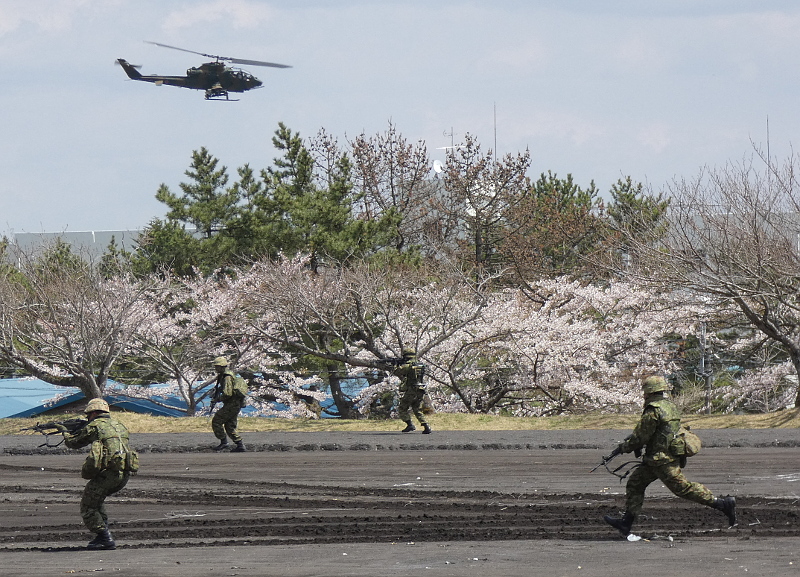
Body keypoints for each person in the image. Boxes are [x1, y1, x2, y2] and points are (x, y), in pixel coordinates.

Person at [603, 375, 737, 537]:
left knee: (683, 489)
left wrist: (623, 448)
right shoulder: (669, 406)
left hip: (662, 460)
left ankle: (722, 504)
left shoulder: (653, 411)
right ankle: (626, 523)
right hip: (660, 458)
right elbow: (660, 432)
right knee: (635, 483)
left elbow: (640, 437)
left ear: (648, 392)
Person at [58, 398, 136, 551]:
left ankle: (105, 537)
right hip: (124, 474)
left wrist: (65, 432)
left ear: (93, 413)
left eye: (88, 415)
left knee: (87, 506)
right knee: (96, 502)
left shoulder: (94, 426)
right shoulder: (119, 425)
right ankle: (102, 535)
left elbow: (73, 443)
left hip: (109, 474)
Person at [210, 356, 248, 452]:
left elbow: (228, 393)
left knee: (217, 420)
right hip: (235, 404)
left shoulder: (227, 377)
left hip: (232, 404)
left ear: (222, 366)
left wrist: (217, 399)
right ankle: (240, 445)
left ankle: (224, 443)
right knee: (229, 426)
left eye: (217, 366)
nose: (215, 368)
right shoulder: (225, 375)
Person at [393, 347, 432, 434]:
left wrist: (396, 364)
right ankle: (426, 426)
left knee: (402, 408)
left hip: (412, 389)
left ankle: (410, 424)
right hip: (421, 389)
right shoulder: (420, 365)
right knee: (417, 409)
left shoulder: (408, 366)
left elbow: (397, 372)